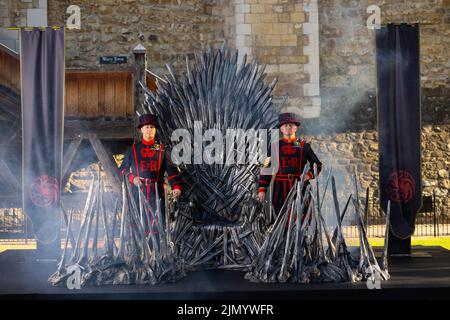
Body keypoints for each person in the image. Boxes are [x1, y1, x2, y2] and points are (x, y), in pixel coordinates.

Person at [119, 113, 182, 228]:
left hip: (157, 193)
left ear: (155, 130)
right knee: (138, 226)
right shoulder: (133, 150)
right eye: (147, 127)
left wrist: (176, 188)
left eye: (152, 127)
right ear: (141, 129)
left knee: (158, 227)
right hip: (137, 192)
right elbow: (122, 169)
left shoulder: (163, 150)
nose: (149, 130)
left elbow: (173, 172)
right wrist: (133, 178)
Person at [258, 112, 322, 216]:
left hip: (299, 186)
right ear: (281, 129)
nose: (288, 127)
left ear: (296, 128)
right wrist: (262, 188)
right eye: (285, 125)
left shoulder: (304, 146)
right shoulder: (274, 147)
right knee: (281, 216)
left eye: (291, 125)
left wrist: (308, 176)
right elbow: (266, 168)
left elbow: (317, 165)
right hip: (280, 188)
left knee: (302, 216)